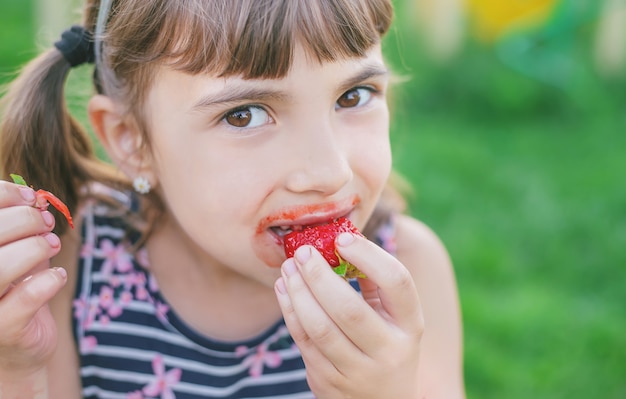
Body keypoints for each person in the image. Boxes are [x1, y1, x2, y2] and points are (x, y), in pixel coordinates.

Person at [0, 0, 465, 397]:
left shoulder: (406, 275)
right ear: (133, 142)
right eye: (244, 115)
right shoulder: (70, 268)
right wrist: (16, 370)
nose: (329, 172)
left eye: (353, 95)